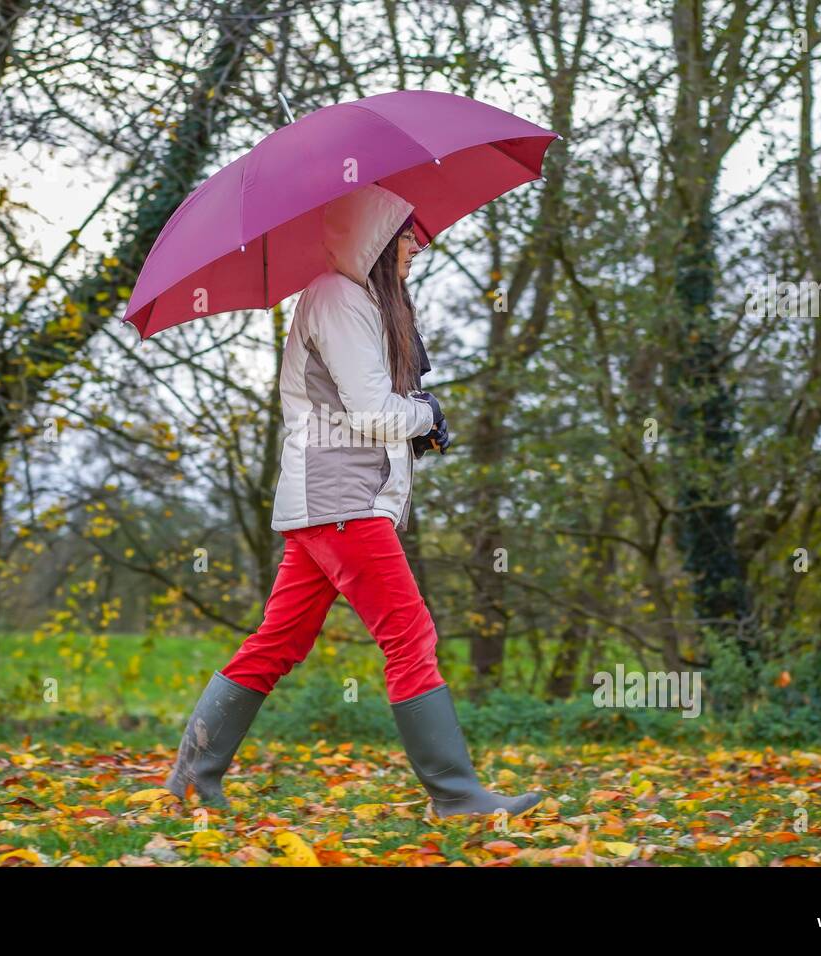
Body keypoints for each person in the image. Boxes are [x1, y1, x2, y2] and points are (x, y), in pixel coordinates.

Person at [164, 183, 542, 820]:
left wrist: (417, 421)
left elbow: (362, 405)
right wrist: (423, 414)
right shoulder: (339, 298)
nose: (418, 242)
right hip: (342, 500)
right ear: (374, 235)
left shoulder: (356, 299)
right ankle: (455, 794)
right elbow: (369, 411)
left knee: (276, 642)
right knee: (410, 635)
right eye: (406, 231)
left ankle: (192, 779)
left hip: (331, 501)